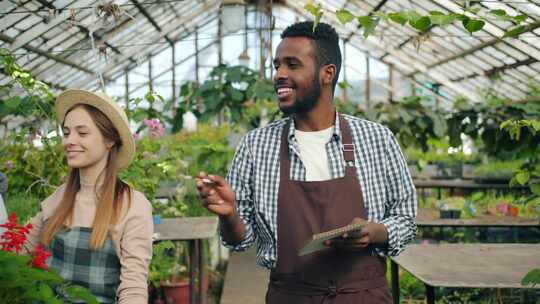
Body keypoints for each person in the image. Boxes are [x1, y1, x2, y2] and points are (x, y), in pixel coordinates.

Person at [197, 21, 417, 303]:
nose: (279, 74)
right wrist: (229, 215)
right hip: (291, 296)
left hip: (363, 296)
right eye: (277, 65)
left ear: (327, 74)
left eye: (292, 65)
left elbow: (406, 219)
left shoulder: (376, 139)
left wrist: (376, 232)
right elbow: (242, 239)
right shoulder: (256, 146)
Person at [24, 89, 154, 304]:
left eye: (82, 133)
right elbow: (17, 250)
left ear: (109, 140)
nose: (69, 141)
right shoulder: (58, 198)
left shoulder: (131, 205)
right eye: (66, 133)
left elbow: (133, 287)